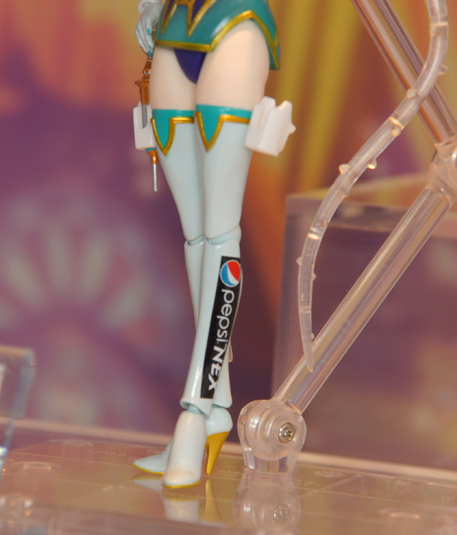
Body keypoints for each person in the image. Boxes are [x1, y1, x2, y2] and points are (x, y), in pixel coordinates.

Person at [133, 0, 283, 488]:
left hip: (235, 25)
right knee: (197, 236)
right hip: (172, 25)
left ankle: (194, 412)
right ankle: (216, 407)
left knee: (219, 232)